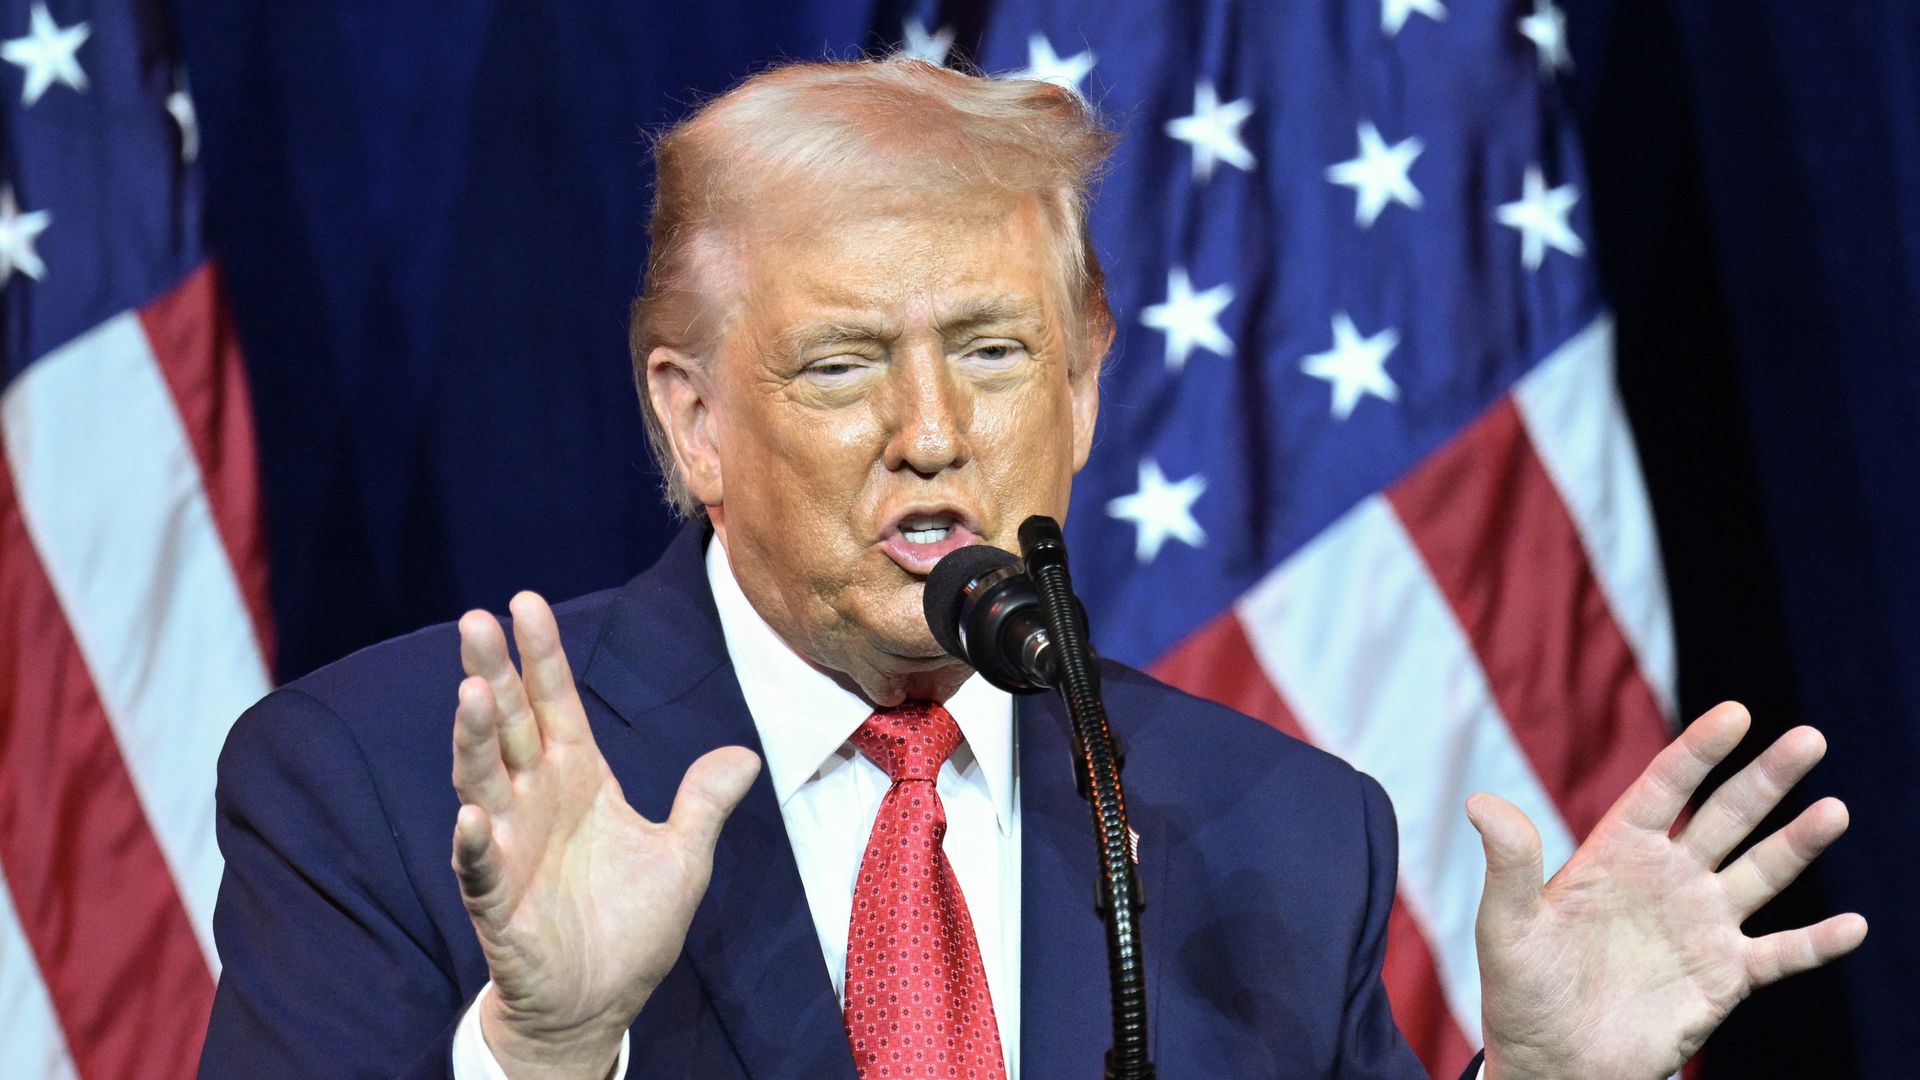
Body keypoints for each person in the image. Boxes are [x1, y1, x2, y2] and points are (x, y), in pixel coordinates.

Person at [198, 58, 1866, 1080]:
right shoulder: (389, 782)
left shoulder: (1278, 828)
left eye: (993, 355)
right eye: (844, 365)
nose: (932, 432)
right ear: (691, 419)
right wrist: (544, 1055)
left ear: (1080, 389)